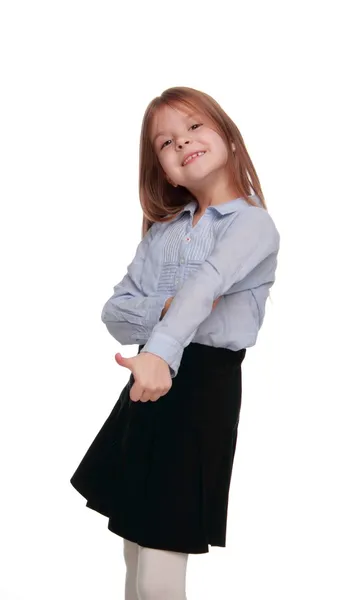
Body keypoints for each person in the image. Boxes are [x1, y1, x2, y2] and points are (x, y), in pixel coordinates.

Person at [70, 86, 280, 600]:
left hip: (199, 385)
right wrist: (164, 316)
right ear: (164, 169)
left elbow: (206, 284)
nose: (182, 142)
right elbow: (116, 311)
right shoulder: (164, 233)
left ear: (226, 134)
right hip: (149, 381)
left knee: (163, 546)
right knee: (135, 542)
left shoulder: (253, 224)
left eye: (193, 127)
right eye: (166, 141)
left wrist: (158, 350)